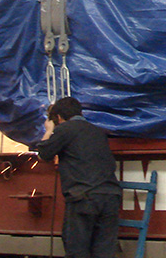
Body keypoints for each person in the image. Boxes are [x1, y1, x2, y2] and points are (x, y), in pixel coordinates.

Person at [35, 97, 122, 258]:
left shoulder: (65, 129)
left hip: (84, 197)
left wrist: (48, 131)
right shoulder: (98, 131)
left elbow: (43, 154)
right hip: (110, 196)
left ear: (59, 117)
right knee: (104, 252)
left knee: (77, 250)